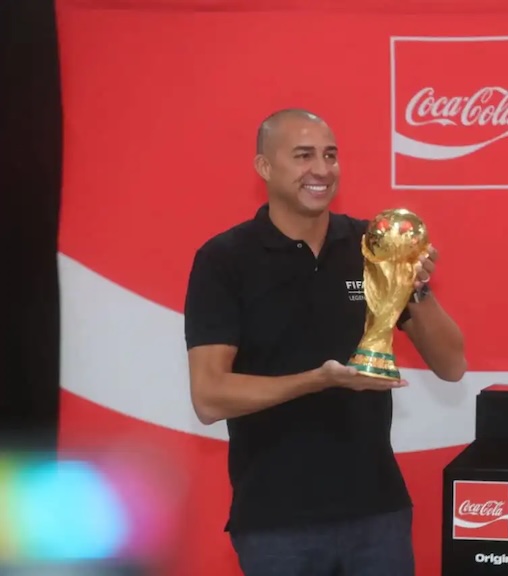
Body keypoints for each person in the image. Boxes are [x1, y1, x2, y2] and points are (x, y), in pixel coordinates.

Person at [183, 108, 467, 576]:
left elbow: (452, 365)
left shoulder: (372, 244)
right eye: (303, 156)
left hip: (378, 513)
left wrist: (414, 287)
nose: (321, 169)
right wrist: (318, 380)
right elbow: (209, 397)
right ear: (264, 167)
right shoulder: (225, 260)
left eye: (330, 155)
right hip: (276, 521)